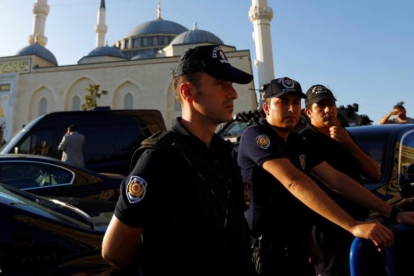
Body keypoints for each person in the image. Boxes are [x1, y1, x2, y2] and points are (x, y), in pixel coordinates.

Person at [102, 45, 255, 276]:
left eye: (231, 85)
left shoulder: (224, 153)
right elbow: (115, 250)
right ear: (188, 92)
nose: (232, 93)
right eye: (221, 84)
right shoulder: (159, 159)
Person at [237, 77, 414, 276]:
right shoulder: (257, 136)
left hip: (298, 249)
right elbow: (294, 182)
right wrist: (352, 225)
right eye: (283, 102)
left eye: (295, 102)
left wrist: (393, 213)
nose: (291, 108)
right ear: (267, 108)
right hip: (267, 253)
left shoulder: (295, 141)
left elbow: (336, 179)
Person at [301, 84, 381, 276]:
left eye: (331, 104)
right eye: (321, 106)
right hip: (328, 235)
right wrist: (306, 238)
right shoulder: (302, 141)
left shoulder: (344, 135)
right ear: (308, 112)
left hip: (361, 228)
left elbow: (374, 174)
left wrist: (348, 144)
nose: (328, 110)